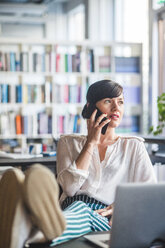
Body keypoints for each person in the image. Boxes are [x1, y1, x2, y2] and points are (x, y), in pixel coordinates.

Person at [0, 79, 157, 248]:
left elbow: (150, 197)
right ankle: (31, 225)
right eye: (108, 101)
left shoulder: (133, 146)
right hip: (71, 208)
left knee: (83, 210)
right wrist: (90, 143)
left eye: (120, 102)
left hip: (106, 217)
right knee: (80, 207)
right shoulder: (68, 142)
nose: (116, 108)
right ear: (91, 107)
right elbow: (69, 188)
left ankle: (30, 229)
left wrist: (122, 205)